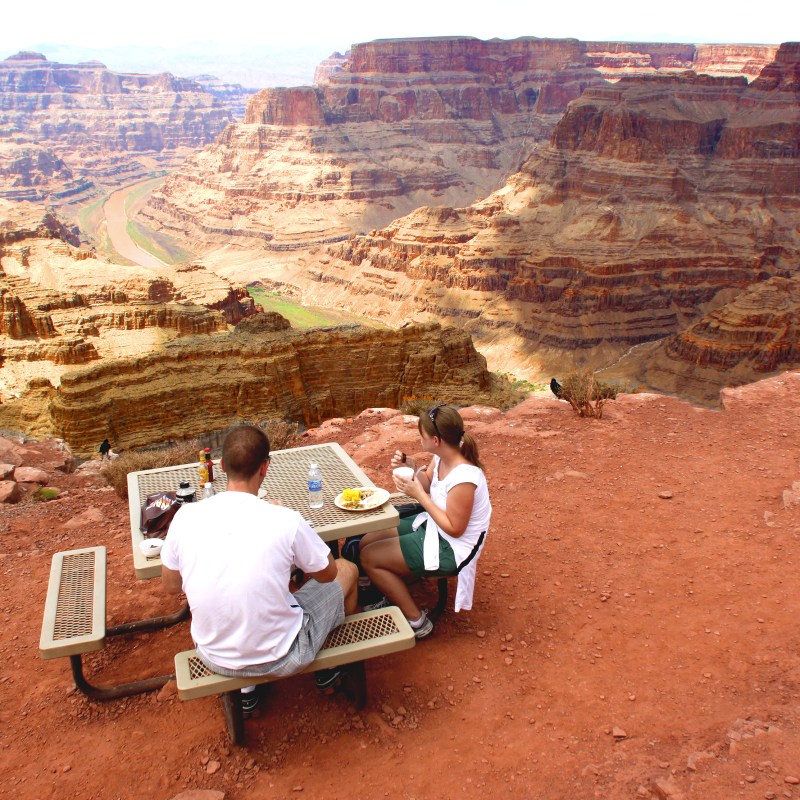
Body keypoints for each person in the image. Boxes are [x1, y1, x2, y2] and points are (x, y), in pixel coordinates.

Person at [161, 425, 358, 712]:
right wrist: (287, 527)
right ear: (265, 467)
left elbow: (170, 586)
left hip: (214, 655)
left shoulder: (185, 516)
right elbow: (328, 575)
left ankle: (247, 692)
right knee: (347, 569)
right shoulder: (284, 520)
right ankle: (330, 667)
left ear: (222, 466)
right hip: (283, 656)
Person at [359, 404, 491, 638]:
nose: (420, 440)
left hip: (451, 547)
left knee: (370, 557)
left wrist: (418, 494)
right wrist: (410, 467)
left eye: (422, 436)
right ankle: (392, 583)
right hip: (435, 526)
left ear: (436, 440)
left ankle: (417, 622)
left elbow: (455, 529)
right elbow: (429, 482)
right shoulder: (442, 456)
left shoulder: (464, 478)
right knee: (367, 540)